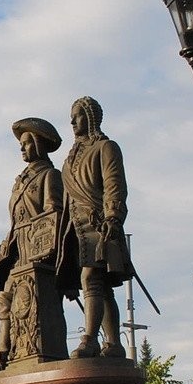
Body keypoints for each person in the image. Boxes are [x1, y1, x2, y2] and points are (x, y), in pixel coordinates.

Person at [0, 117, 69, 370]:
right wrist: (2, 255)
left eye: (26, 143)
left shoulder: (50, 175)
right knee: (5, 298)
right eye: (21, 144)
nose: (22, 148)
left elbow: (53, 214)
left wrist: (47, 252)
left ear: (38, 144)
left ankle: (33, 351)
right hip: (17, 249)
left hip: (37, 250)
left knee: (34, 302)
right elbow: (14, 222)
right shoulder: (20, 181)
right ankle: (3, 353)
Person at [55, 96, 135, 358]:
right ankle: (113, 343)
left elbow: (115, 184)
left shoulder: (106, 147)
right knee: (101, 285)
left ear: (89, 117)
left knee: (91, 278)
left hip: (100, 225)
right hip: (77, 230)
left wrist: (113, 216)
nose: (71, 121)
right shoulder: (69, 160)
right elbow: (65, 202)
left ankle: (90, 339)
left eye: (76, 115)